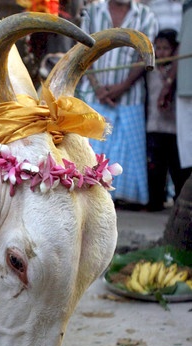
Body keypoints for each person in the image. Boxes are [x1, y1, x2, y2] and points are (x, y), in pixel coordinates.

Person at [78, 0, 158, 208]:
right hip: (94, 94)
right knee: (90, 149)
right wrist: (96, 86)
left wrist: (123, 86)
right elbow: (82, 49)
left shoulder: (145, 16)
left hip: (130, 96)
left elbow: (146, 55)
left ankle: (125, 199)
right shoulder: (93, 12)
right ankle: (90, 193)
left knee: (129, 149)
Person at [146, 29, 183, 211]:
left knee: (177, 168)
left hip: (175, 128)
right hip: (154, 125)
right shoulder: (150, 69)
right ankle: (155, 202)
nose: (161, 52)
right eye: (158, 48)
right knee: (155, 167)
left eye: (166, 48)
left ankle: (179, 201)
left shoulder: (177, 69)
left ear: (174, 50)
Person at [176, 0, 192, 185]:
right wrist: (170, 82)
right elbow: (181, 46)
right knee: (186, 146)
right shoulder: (188, 6)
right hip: (185, 85)